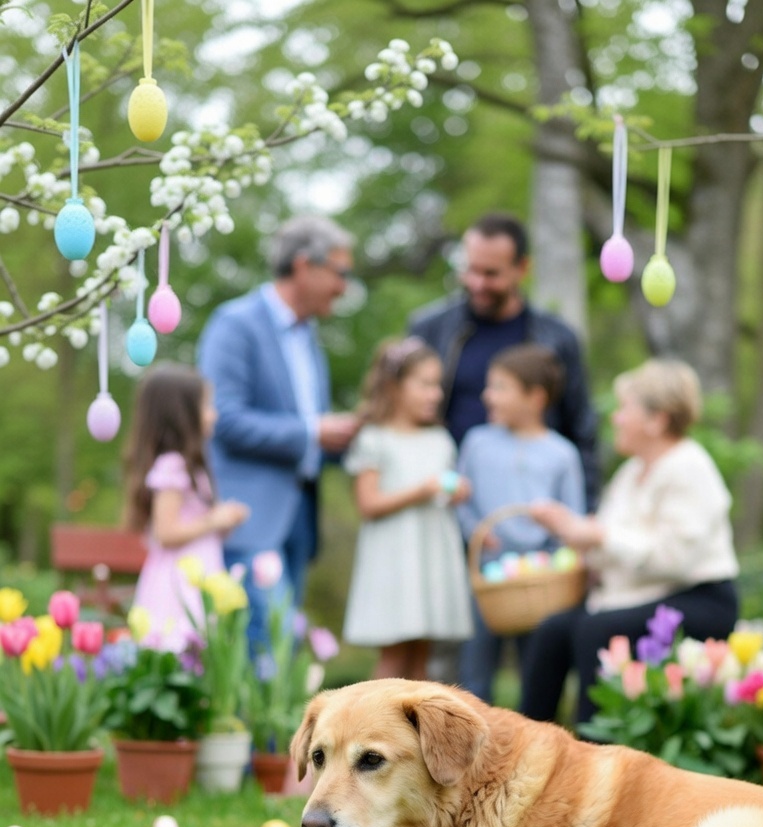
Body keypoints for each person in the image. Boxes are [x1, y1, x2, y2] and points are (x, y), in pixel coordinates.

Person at [519, 358, 740, 726]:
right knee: (553, 630)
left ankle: (597, 758)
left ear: (657, 419)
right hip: (639, 596)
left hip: (698, 598)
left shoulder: (690, 467)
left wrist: (598, 535)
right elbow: (610, 547)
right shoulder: (631, 472)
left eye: (625, 409)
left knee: (596, 630)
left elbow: (675, 559)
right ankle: (520, 746)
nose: (616, 418)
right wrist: (574, 533)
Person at [197, 215, 360, 648]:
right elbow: (224, 419)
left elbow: (310, 433)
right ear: (305, 266)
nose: (344, 286)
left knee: (281, 660)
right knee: (262, 657)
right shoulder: (234, 324)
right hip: (249, 520)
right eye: (340, 273)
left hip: (298, 519)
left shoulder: (309, 338)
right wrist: (313, 431)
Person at [408, 211, 599, 507]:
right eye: (471, 270)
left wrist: (584, 511)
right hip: (446, 499)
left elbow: (581, 428)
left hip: (528, 503)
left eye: (491, 274)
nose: (477, 283)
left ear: (522, 268)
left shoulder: (558, 339)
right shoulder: (429, 329)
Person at [455, 343, 586, 704]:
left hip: (539, 581)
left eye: (500, 387)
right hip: (485, 576)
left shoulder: (561, 454)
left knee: (537, 671)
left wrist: (555, 561)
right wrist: (476, 533)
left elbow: (570, 517)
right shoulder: (477, 443)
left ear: (535, 397)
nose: (487, 395)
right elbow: (461, 501)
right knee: (474, 671)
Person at [342, 337, 473, 680]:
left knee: (422, 658)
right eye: (425, 384)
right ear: (393, 386)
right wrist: (421, 490)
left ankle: (414, 732)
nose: (436, 394)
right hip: (396, 561)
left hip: (430, 556)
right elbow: (368, 503)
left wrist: (454, 492)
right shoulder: (375, 438)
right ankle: (365, 727)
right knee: (395, 656)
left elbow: (440, 494)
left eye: (438, 385)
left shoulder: (440, 441)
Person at [125, 363, 249, 651]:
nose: (213, 414)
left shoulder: (191, 467)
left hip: (198, 573)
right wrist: (214, 521)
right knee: (180, 646)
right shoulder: (173, 466)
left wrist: (222, 522)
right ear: (181, 414)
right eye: (206, 405)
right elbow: (166, 532)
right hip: (178, 582)